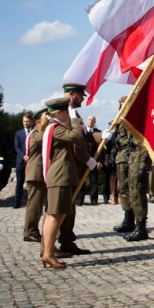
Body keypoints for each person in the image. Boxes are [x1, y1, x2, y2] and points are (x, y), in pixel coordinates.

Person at [40, 97, 87, 269]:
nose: (69, 114)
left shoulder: (55, 128)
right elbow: (75, 135)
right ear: (59, 112)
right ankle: (48, 253)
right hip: (59, 177)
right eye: (67, 111)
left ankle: (47, 252)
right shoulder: (55, 128)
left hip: (61, 177)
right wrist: (75, 119)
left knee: (55, 215)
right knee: (54, 216)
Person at [106, 96, 150, 242]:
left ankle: (141, 226)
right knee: (123, 189)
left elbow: (145, 141)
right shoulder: (119, 121)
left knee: (136, 191)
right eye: (121, 105)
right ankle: (128, 219)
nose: (123, 107)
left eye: (125, 105)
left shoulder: (138, 119)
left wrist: (144, 162)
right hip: (122, 156)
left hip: (136, 154)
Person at [57, 82, 94, 255]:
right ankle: (58, 242)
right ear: (72, 94)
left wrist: (104, 136)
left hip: (73, 166)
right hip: (65, 165)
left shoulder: (73, 112)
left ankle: (67, 240)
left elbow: (84, 136)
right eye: (80, 95)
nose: (82, 99)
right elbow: (74, 141)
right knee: (62, 205)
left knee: (69, 205)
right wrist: (88, 160)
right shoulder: (63, 114)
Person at [23, 109, 49, 243]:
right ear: (40, 121)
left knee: (37, 204)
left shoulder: (40, 131)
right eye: (47, 117)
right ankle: (30, 231)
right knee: (34, 204)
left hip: (39, 172)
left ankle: (34, 230)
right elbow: (40, 140)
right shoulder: (37, 133)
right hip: (36, 172)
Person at [77, 114, 101, 205]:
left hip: (94, 159)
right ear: (87, 121)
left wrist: (99, 161)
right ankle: (80, 199)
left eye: (92, 120)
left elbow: (101, 149)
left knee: (94, 180)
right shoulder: (82, 131)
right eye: (89, 120)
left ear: (95, 122)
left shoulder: (99, 132)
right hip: (83, 159)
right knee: (81, 180)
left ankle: (94, 200)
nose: (90, 122)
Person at [14, 113, 34, 209]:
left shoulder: (35, 132)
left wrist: (31, 156)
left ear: (31, 121)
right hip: (21, 161)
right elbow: (17, 147)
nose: (25, 123)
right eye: (24, 121)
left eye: (27, 121)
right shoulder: (18, 133)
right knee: (19, 182)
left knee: (32, 182)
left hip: (32, 161)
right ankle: (17, 202)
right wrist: (23, 156)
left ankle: (31, 202)